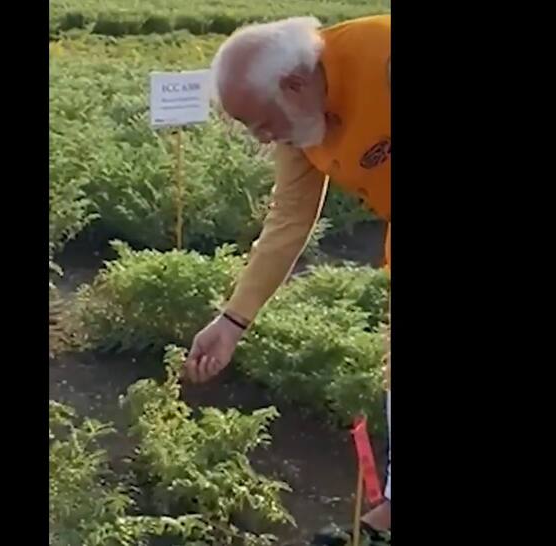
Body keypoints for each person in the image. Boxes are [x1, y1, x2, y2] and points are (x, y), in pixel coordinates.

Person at [183, 13, 391, 543]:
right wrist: (232, 321)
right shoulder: (300, 122)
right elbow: (288, 221)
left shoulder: (382, 58)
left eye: (260, 123)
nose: (261, 140)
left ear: (295, 84)